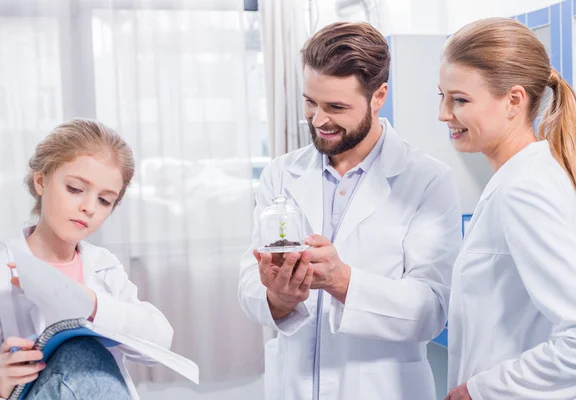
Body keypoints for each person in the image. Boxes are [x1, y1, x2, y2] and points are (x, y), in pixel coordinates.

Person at [239, 21, 462, 400]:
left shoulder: (426, 181)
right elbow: (248, 282)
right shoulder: (281, 174)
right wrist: (278, 298)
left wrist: (343, 281)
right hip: (293, 386)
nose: (318, 120)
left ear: (379, 96)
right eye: (311, 102)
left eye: (336, 107)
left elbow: (434, 310)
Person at [0, 119, 174, 400]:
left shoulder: (104, 267)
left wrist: (92, 304)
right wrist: (0, 383)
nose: (89, 208)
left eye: (104, 201)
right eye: (75, 189)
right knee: (78, 351)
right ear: (41, 180)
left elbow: (160, 341)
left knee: (86, 350)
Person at [439, 17, 576, 400]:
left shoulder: (524, 189)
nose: (443, 113)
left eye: (460, 100)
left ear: (514, 100)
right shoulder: (531, 173)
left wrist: (479, 391)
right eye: (442, 96)